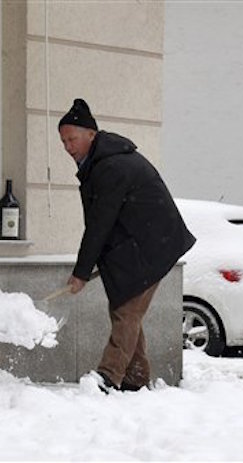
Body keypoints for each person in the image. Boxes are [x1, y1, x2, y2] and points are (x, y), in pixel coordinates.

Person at [58, 98, 196, 393]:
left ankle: (107, 377)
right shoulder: (101, 162)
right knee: (123, 308)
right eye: (63, 140)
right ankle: (135, 377)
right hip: (138, 244)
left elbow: (100, 222)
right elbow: (103, 222)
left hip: (153, 245)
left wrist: (81, 272)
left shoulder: (112, 166)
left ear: (91, 135)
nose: (67, 146)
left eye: (72, 139)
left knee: (126, 312)